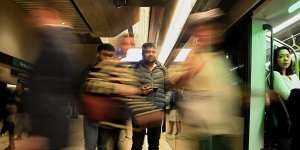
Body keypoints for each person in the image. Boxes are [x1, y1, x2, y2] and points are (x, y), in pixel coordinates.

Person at [168, 9, 243, 150]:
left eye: (214, 29)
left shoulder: (219, 58)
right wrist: (190, 72)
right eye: (205, 28)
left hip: (224, 130)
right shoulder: (187, 56)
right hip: (202, 132)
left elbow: (230, 88)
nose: (212, 32)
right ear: (196, 32)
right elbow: (172, 82)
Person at [23, 7, 85, 150]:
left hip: (49, 117)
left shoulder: (56, 43)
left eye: (39, 16)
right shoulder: (57, 42)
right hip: (50, 117)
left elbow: (52, 85)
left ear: (51, 16)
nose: (36, 21)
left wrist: (41, 129)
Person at [131, 42, 169, 150]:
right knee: (137, 144)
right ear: (142, 53)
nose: (150, 54)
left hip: (157, 110)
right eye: (147, 52)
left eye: (153, 51)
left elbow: (170, 88)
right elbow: (128, 88)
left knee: (154, 144)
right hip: (139, 110)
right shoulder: (135, 69)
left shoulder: (162, 69)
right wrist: (139, 90)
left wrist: (164, 102)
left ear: (156, 53)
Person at [83, 43, 116, 150]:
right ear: (98, 55)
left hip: (107, 116)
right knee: (90, 146)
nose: (108, 58)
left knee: (103, 146)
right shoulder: (89, 71)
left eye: (111, 56)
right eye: (105, 55)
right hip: (91, 116)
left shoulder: (116, 74)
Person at [272, 46, 300, 150]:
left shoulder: (294, 77)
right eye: (281, 56)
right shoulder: (275, 75)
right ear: (275, 60)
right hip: (290, 115)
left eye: (288, 56)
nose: (286, 59)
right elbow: (287, 96)